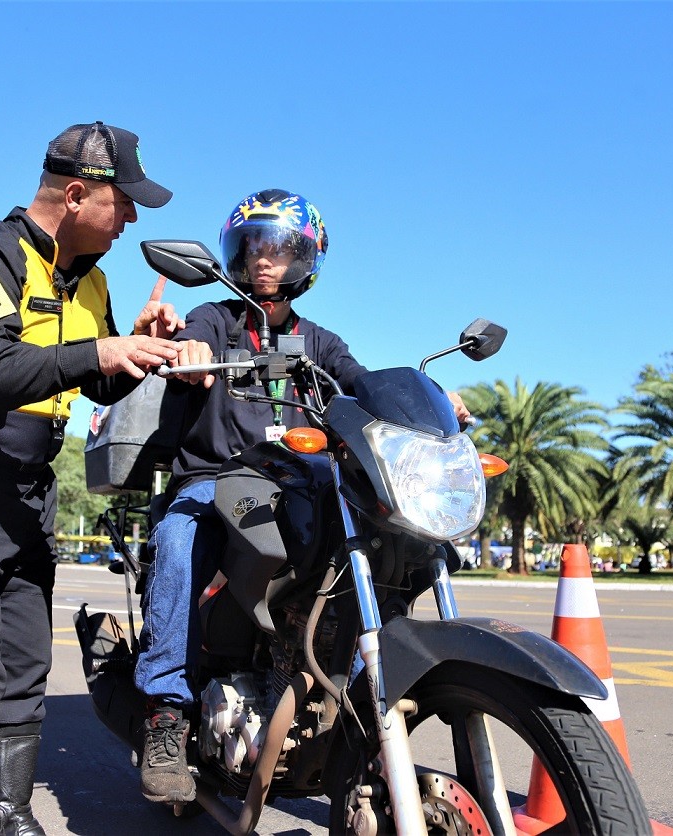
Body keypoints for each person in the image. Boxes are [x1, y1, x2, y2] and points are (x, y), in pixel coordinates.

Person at [0, 121, 182, 836]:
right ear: (77, 195)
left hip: (26, 489)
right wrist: (101, 351)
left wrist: (140, 347)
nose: (133, 218)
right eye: (125, 201)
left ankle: (14, 814)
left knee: (23, 667)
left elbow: (97, 383)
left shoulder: (94, 281)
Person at [131, 189, 471, 803]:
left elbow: (363, 385)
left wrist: (429, 406)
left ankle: (362, 693)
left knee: (379, 537)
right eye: (252, 246)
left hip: (295, 484)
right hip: (214, 480)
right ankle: (165, 713)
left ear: (305, 259)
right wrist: (187, 348)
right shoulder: (214, 318)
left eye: (278, 247)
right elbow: (192, 340)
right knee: (179, 538)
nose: (262, 260)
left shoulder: (321, 342)